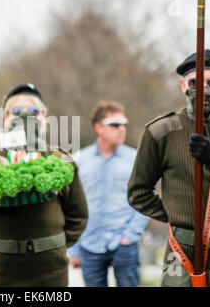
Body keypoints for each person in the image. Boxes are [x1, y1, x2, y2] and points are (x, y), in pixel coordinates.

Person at [128, 49, 210, 287]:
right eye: (195, 82)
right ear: (183, 85)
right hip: (179, 254)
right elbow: (137, 192)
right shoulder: (161, 131)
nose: (204, 89)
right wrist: (178, 214)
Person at [0, 83, 88, 286]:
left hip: (50, 271)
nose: (25, 116)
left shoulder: (60, 158)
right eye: (17, 111)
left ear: (45, 118)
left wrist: (54, 246)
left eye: (35, 111)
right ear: (5, 118)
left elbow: (78, 215)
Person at [67, 101, 149, 287]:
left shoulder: (135, 159)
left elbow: (146, 198)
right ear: (98, 127)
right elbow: (71, 206)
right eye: (114, 124)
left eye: (124, 124)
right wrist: (74, 248)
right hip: (89, 245)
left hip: (124, 244)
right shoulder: (79, 160)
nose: (121, 129)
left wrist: (131, 235)